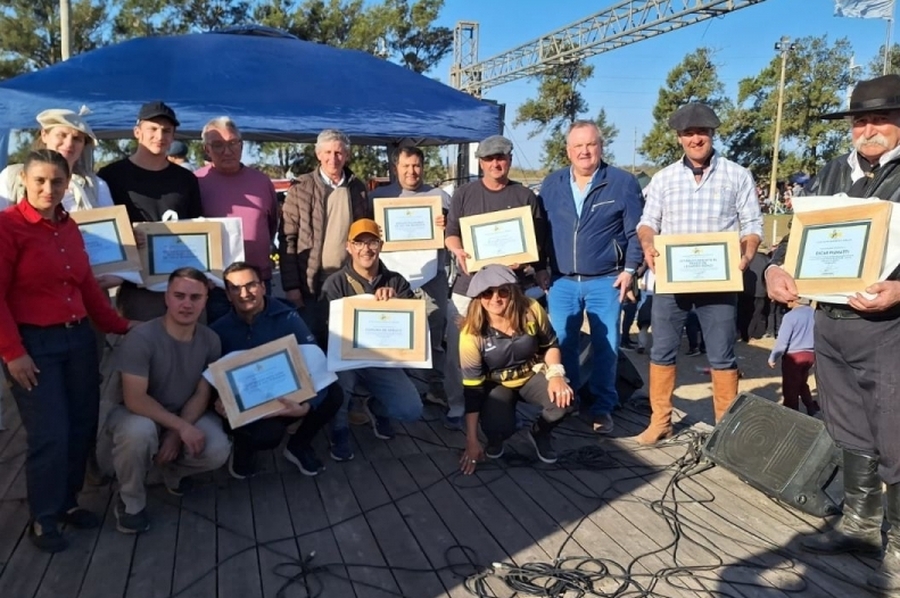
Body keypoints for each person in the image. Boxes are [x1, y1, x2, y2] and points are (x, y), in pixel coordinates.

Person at [765, 75, 900, 590]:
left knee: (896, 431)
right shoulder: (830, 172)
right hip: (832, 323)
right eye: (860, 120)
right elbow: (797, 237)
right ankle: (861, 526)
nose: (868, 130)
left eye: (880, 119)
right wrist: (776, 269)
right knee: (849, 427)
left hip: (890, 328)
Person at [0, 150, 133, 552]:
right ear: (25, 180)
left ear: (67, 184)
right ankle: (44, 516)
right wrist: (12, 352)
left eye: (56, 182)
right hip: (33, 345)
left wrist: (121, 325)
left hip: (78, 340)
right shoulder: (8, 227)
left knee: (80, 426)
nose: (48, 189)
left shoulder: (69, 227)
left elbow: (87, 287)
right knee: (50, 433)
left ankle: (67, 503)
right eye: (40, 180)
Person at [636, 102, 763, 444]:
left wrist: (749, 249)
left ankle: (724, 430)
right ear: (679, 138)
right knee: (661, 351)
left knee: (722, 354)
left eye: (702, 132)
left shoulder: (737, 175)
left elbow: (752, 224)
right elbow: (648, 223)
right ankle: (660, 421)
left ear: (712, 134)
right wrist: (648, 243)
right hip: (671, 281)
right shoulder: (663, 178)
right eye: (689, 133)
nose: (696, 139)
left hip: (720, 282)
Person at [97, 267, 230, 535]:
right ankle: (130, 500)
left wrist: (175, 432)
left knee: (217, 448)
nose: (186, 304)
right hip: (134, 416)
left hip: (182, 414)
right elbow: (135, 399)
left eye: (195, 297)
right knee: (139, 432)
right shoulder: (141, 338)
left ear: (205, 300)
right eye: (179, 295)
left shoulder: (211, 340)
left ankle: (171, 473)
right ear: (166, 298)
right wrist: (179, 429)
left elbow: (201, 393)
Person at [538, 120, 643, 434]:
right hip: (561, 280)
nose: (584, 151)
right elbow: (541, 230)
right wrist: (541, 265)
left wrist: (630, 270)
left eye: (591, 144)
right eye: (578, 146)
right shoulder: (552, 183)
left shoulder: (623, 182)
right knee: (562, 344)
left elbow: (636, 233)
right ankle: (565, 403)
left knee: (606, 346)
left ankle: (602, 407)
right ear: (568, 151)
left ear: (601, 146)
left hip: (605, 280)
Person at [444, 135, 549, 430]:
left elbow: (537, 246)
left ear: (509, 160)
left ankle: (505, 408)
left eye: (501, 157)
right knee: (459, 353)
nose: (496, 163)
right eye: (489, 159)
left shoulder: (526, 197)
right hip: (469, 289)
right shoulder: (464, 194)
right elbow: (451, 233)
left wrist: (528, 261)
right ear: (480, 163)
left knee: (514, 351)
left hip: (509, 291)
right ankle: (457, 405)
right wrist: (457, 248)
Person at [210, 262, 342, 477]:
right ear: (227, 294)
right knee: (267, 436)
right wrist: (218, 399)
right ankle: (243, 448)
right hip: (249, 403)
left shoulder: (288, 317)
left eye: (250, 285)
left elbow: (316, 363)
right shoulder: (218, 330)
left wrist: (307, 407)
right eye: (235, 288)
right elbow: (209, 378)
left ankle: (298, 445)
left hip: (286, 394)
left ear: (262, 286)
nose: (244, 293)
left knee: (334, 394)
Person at [320, 218, 424, 461]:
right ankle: (339, 428)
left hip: (383, 362)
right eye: (359, 243)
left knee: (411, 410)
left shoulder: (396, 281)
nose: (366, 249)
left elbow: (416, 327)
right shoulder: (334, 283)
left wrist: (397, 301)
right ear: (349, 247)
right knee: (339, 384)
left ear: (381, 245)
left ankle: (377, 407)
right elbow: (325, 331)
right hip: (346, 361)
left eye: (372, 242)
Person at [457, 265, 573, 474]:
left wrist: (556, 374)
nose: (495, 299)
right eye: (486, 293)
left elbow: (550, 345)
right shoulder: (470, 334)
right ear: (477, 297)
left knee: (564, 401)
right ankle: (495, 437)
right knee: (499, 426)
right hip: (496, 384)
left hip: (531, 374)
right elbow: (472, 391)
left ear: (513, 290)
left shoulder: (531, 309)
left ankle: (540, 432)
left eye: (503, 291)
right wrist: (471, 441)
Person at [98, 101, 203, 321]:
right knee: (141, 350)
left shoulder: (186, 179)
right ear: (137, 132)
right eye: (152, 129)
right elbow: (103, 231)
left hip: (180, 287)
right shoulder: (110, 176)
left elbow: (198, 226)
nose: (160, 135)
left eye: (166, 130)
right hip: (136, 289)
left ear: (174, 136)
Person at [369, 146, 452, 407]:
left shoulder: (439, 197)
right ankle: (397, 388)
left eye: (416, 165)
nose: (411, 171)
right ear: (395, 168)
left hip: (431, 277)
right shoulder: (377, 198)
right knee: (395, 334)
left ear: (423, 167)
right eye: (405, 166)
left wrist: (446, 223)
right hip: (392, 278)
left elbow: (454, 232)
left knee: (435, 335)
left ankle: (436, 386)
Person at [279, 129, 370, 347]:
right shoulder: (301, 188)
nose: (333, 158)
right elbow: (287, 239)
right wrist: (291, 286)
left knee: (346, 344)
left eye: (338, 153)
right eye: (327, 152)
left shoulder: (358, 188)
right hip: (310, 284)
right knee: (312, 346)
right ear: (318, 154)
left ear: (347, 155)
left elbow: (366, 233)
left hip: (348, 281)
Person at [196, 117, 279, 321]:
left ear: (241, 145)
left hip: (258, 282)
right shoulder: (195, 182)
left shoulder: (262, 182)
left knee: (263, 344)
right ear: (207, 149)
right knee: (222, 344)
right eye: (218, 145)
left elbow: (272, 225)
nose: (227, 151)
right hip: (216, 286)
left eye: (233, 143)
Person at [0, 109, 113, 213]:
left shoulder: (96, 185)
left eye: (76, 139)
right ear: (44, 135)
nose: (69, 144)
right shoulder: (11, 177)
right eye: (62, 135)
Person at [767, 299, 817, 415]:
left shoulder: (790, 316)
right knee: (801, 382)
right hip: (810, 355)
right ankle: (810, 405)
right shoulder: (814, 313)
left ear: (796, 300)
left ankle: (791, 415)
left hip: (794, 356)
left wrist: (773, 357)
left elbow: (782, 342)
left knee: (790, 389)